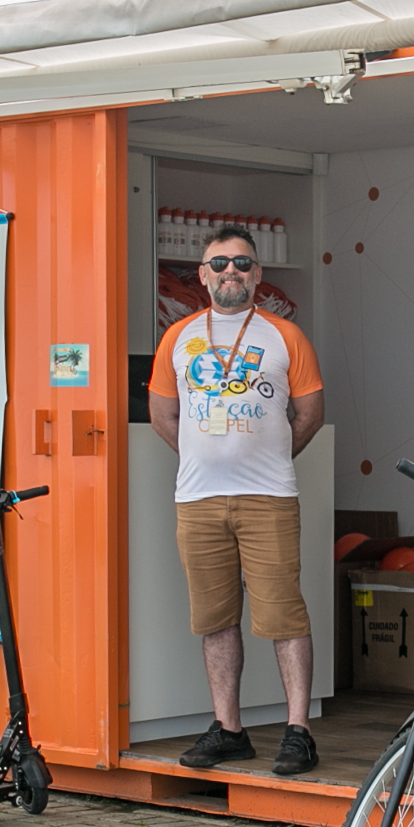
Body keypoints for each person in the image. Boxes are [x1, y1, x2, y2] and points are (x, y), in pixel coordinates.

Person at [148, 227, 325, 775]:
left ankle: (298, 731)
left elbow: (309, 414)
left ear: (258, 274)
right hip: (198, 499)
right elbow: (163, 414)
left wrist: (264, 458)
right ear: (202, 275)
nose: (231, 273)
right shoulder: (177, 335)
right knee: (214, 616)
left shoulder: (284, 336)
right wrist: (208, 454)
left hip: (268, 496)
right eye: (219, 264)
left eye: (242, 264)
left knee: (283, 612)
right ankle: (229, 729)